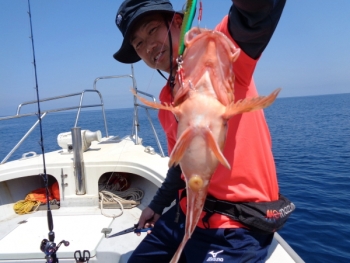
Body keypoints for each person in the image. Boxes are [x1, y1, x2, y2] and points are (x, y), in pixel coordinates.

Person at [113, 0, 287, 262]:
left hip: (236, 227)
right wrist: (157, 206)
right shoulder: (166, 101)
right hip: (184, 213)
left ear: (178, 23)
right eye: (138, 44)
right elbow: (179, 167)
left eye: (152, 30)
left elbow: (256, 11)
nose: (148, 47)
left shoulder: (220, 50)